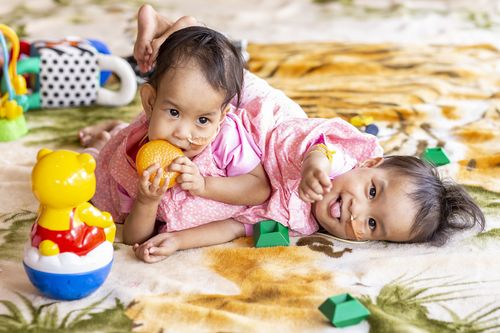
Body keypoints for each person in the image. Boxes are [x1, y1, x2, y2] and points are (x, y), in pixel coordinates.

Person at [87, 6, 485, 263]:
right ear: (370, 164)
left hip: (231, 160)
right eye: (373, 192)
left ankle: (125, 121)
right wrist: (314, 164)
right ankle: (180, 28)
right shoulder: (334, 161)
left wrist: (180, 241)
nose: (356, 213)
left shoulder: (301, 224)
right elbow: (317, 147)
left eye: (373, 226)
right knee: (219, 77)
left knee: (192, 106)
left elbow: (238, 223)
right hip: (266, 124)